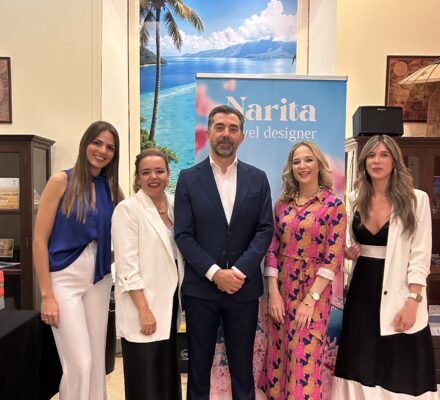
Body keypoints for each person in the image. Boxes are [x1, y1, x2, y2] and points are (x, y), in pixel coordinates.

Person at [174, 105, 274, 400]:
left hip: (243, 290)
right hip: (200, 290)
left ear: (242, 136)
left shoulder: (258, 178)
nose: (226, 134)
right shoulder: (188, 178)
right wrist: (216, 273)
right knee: (198, 368)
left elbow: (264, 230)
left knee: (243, 370)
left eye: (233, 128)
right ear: (208, 133)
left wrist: (238, 272)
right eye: (219, 127)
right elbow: (183, 234)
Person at [332, 135, 437, 399]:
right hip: (362, 290)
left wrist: (413, 302)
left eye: (383, 155)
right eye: (371, 155)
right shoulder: (354, 199)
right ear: (364, 162)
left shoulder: (416, 200)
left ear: (395, 161)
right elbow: (350, 244)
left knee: (399, 359)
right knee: (361, 358)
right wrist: (348, 253)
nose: (376, 161)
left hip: (399, 290)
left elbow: (420, 256)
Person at [33, 120, 121, 400]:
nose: (102, 151)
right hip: (64, 279)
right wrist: (46, 295)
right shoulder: (61, 181)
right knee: (80, 364)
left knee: (96, 362)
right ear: (85, 144)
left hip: (100, 278)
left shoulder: (111, 188)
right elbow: (39, 240)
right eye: (97, 143)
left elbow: (126, 230)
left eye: (109, 147)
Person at [258, 141, 347, 400]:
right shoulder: (282, 204)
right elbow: (272, 248)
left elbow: (333, 258)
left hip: (313, 295)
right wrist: (273, 293)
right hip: (282, 293)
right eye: (296, 161)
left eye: (308, 160)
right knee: (278, 362)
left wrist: (310, 301)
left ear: (319, 164)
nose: (302, 166)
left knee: (303, 364)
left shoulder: (333, 205)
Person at [111, 148, 184, 400]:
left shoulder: (175, 205)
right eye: (146, 172)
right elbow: (126, 267)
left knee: (167, 375)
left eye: (159, 171)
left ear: (168, 174)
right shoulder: (128, 209)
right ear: (137, 177)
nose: (154, 177)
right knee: (146, 378)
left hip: (169, 304)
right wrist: (144, 310)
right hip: (142, 304)